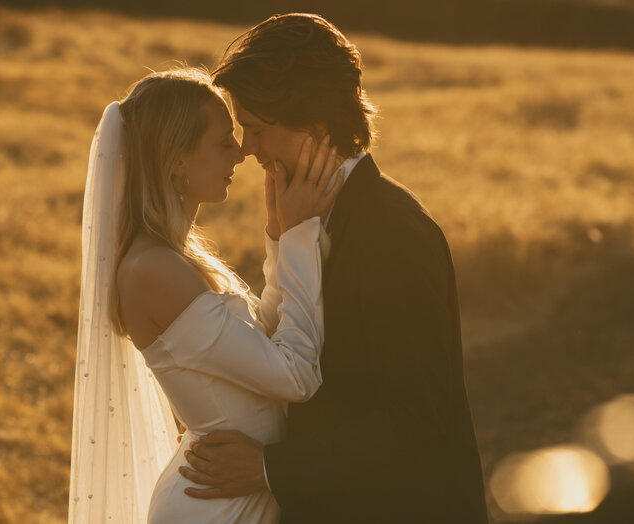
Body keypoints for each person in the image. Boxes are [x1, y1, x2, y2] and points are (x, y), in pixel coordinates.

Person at [179, 14, 489, 523]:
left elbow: (414, 426)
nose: (247, 148)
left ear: (316, 126)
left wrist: (269, 468)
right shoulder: (305, 215)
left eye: (257, 128)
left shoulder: (394, 234)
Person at [68, 68, 344, 523]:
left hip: (229, 495)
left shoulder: (175, 258)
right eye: (222, 143)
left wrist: (277, 237)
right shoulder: (152, 270)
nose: (240, 152)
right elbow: (294, 375)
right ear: (176, 160)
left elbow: (268, 336)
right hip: (213, 507)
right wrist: (298, 238)